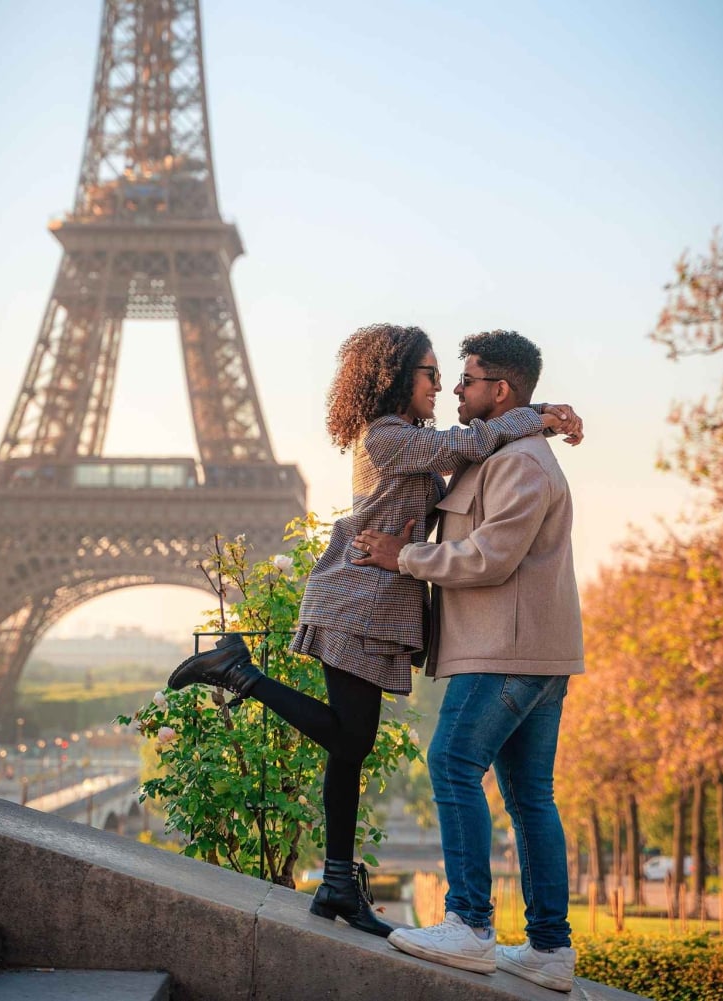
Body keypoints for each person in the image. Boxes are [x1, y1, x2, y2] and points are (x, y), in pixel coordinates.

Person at [165, 323, 581, 938]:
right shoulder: (386, 437)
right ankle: (238, 674)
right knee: (352, 742)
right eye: (432, 374)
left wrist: (535, 416)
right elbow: (470, 442)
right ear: (395, 379)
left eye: (451, 376)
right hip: (358, 596)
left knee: (349, 744)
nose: (442, 386)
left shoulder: (415, 437)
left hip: (383, 604)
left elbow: (473, 444)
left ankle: (336, 882)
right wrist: (539, 415)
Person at [353, 330, 584, 992]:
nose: (455, 389)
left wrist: (404, 558)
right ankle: (548, 948)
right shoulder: (502, 453)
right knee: (528, 795)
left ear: (500, 391)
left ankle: (471, 924)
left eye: (467, 379)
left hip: (506, 652)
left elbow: (488, 556)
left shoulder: (522, 464)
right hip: (529, 650)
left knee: (451, 762)